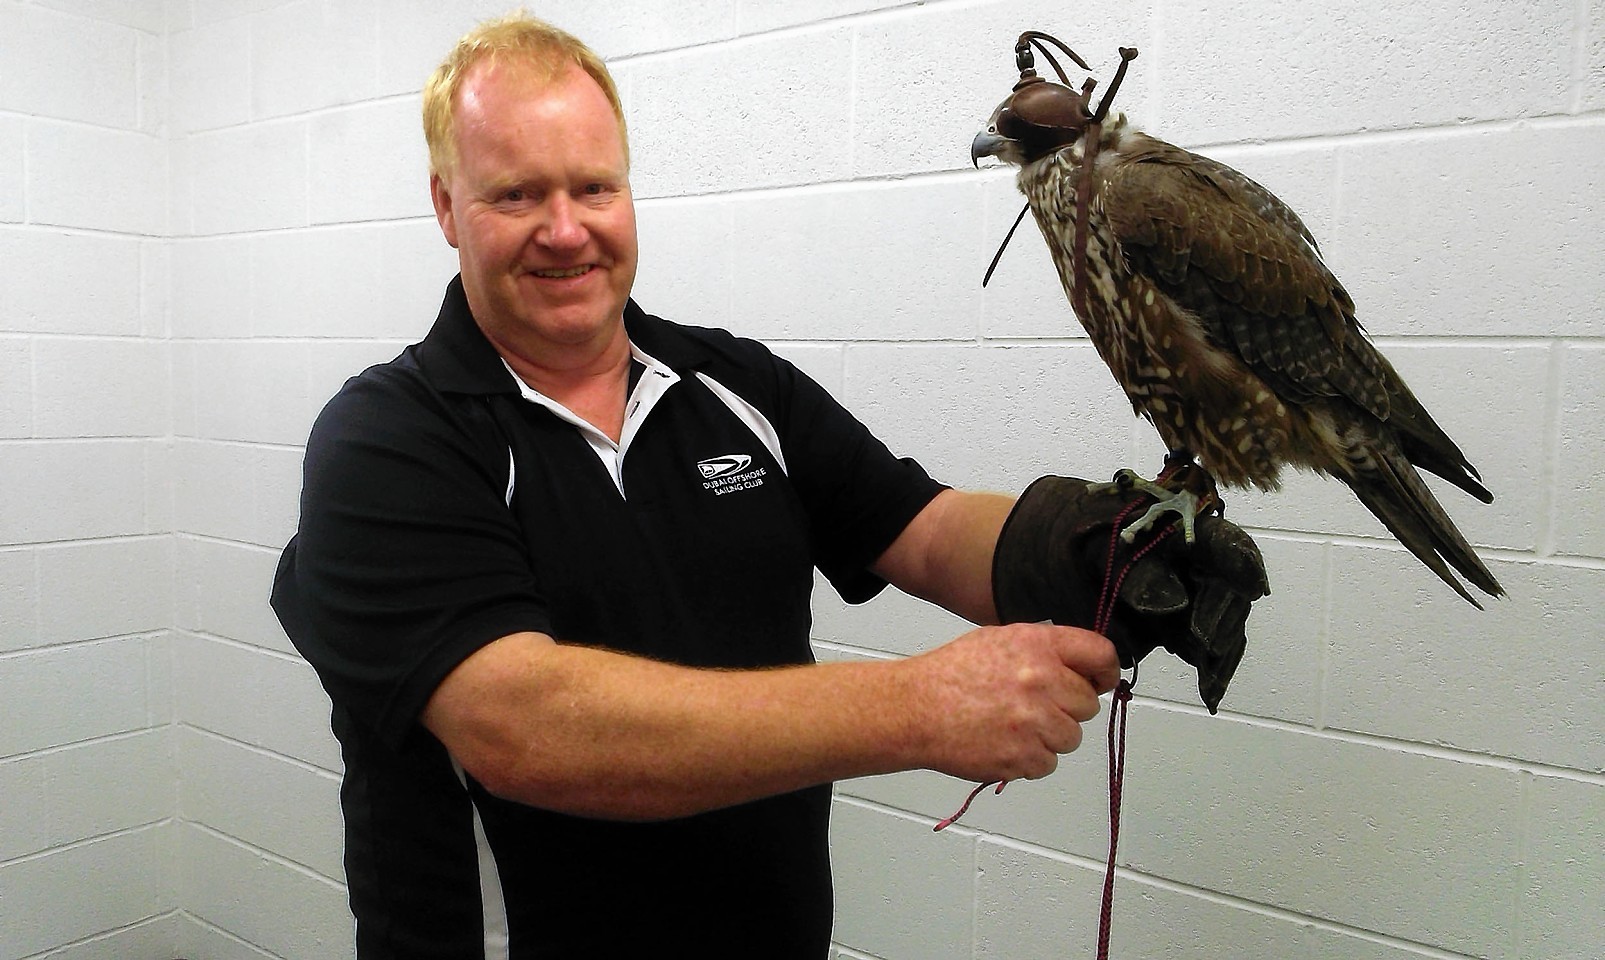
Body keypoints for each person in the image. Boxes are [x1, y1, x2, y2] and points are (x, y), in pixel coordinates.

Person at [271, 13, 1266, 959]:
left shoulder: (737, 385)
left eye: (594, 188)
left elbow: (919, 527)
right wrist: (919, 707)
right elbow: (524, 727)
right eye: (516, 196)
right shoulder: (388, 438)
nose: (566, 230)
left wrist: (1087, 543)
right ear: (447, 206)